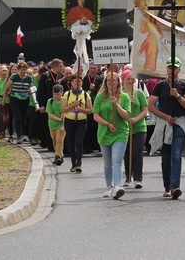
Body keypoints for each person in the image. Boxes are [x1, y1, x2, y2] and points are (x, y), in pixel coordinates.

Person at [148, 57, 185, 199]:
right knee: (165, 157)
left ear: (179, 69)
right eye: (169, 67)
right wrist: (165, 117)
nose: (172, 70)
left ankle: (175, 186)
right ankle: (167, 186)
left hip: (179, 123)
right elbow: (151, 106)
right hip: (165, 123)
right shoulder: (160, 86)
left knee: (176, 155)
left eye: (175, 67)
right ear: (166, 68)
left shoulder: (184, 85)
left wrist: (178, 96)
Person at [93, 72, 131, 200]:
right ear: (105, 83)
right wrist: (107, 123)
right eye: (108, 81)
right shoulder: (100, 97)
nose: (111, 83)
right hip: (105, 132)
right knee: (108, 161)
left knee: (117, 160)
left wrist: (117, 105)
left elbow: (127, 116)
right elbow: (95, 115)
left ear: (118, 83)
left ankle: (117, 186)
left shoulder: (124, 97)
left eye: (114, 80)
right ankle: (109, 186)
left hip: (120, 132)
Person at [121, 70, 148, 188]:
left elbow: (145, 110)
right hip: (125, 128)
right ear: (123, 81)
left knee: (137, 152)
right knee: (126, 153)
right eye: (127, 78)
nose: (130, 81)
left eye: (132, 78)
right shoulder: (120, 95)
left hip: (139, 127)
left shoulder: (139, 93)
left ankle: (138, 178)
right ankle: (128, 176)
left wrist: (136, 119)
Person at [62, 73, 92, 173]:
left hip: (81, 121)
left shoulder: (85, 94)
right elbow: (63, 109)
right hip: (69, 121)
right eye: (75, 81)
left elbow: (90, 110)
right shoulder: (67, 94)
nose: (78, 83)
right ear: (72, 83)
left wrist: (80, 109)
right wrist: (72, 106)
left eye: (80, 81)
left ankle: (79, 163)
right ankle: (73, 163)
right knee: (71, 142)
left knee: (79, 141)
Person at [2, 61, 34, 144]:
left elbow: (32, 89)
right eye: (21, 69)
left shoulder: (29, 78)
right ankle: (19, 136)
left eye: (24, 69)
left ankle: (23, 134)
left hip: (25, 99)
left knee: (23, 118)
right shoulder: (14, 77)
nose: (23, 71)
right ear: (19, 70)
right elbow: (6, 88)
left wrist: (34, 100)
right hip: (14, 99)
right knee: (17, 116)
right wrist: (4, 100)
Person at [46, 84, 66, 166]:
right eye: (54, 94)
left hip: (61, 125)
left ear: (62, 93)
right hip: (52, 124)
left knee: (59, 140)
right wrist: (59, 119)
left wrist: (63, 123)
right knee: (54, 141)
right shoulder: (50, 101)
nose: (56, 96)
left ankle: (59, 156)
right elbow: (50, 114)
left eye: (58, 94)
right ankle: (57, 155)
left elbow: (66, 111)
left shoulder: (64, 101)